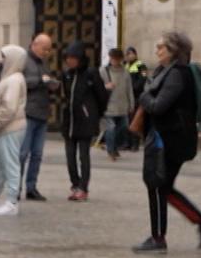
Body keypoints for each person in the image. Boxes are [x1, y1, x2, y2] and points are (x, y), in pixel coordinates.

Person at [134, 33, 201, 254]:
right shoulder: (166, 72)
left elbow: (158, 106)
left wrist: (143, 96)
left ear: (173, 51)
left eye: (161, 47)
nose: (157, 51)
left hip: (171, 140)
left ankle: (159, 238)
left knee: (158, 185)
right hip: (168, 138)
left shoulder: (177, 75)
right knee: (162, 186)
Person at [56, 41, 106, 201]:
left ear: (80, 58)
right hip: (69, 121)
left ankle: (83, 188)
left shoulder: (91, 73)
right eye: (67, 58)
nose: (69, 61)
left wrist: (93, 114)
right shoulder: (67, 74)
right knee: (70, 156)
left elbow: (102, 96)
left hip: (85, 121)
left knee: (83, 156)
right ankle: (75, 184)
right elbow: (66, 95)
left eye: (73, 58)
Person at [0, 45, 28, 216]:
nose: (2, 61)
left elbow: (9, 107)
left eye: (5, 57)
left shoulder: (14, 80)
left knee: (10, 164)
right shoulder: (12, 78)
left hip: (10, 127)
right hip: (6, 128)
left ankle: (11, 201)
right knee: (0, 165)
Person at [21, 34, 56, 200]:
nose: (47, 52)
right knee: (22, 153)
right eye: (44, 49)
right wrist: (41, 81)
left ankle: (31, 187)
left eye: (49, 49)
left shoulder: (44, 63)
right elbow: (21, 82)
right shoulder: (23, 61)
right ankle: (15, 187)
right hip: (28, 113)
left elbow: (46, 80)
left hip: (42, 113)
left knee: (37, 154)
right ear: (34, 44)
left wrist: (52, 84)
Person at [100, 46, 131, 162]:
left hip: (122, 105)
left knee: (123, 127)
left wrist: (131, 104)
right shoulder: (103, 71)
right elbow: (96, 88)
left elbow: (129, 89)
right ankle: (110, 151)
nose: (115, 61)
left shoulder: (125, 72)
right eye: (113, 58)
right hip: (109, 106)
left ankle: (114, 146)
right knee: (111, 128)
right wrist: (105, 87)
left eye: (117, 58)